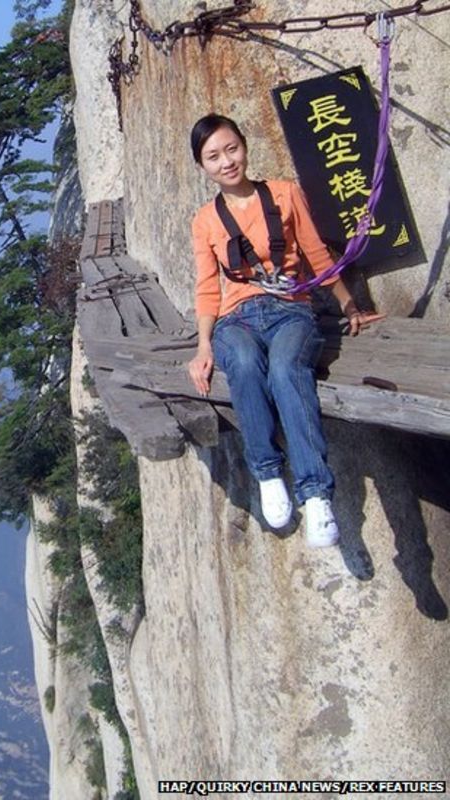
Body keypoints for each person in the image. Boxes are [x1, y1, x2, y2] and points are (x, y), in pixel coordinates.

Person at [186, 113, 384, 547]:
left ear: (244, 145)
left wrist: (350, 304)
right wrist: (203, 345)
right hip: (235, 320)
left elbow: (315, 253)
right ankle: (268, 473)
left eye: (231, 149)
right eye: (214, 157)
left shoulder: (283, 194)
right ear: (203, 166)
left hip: (291, 311)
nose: (227, 162)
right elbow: (207, 287)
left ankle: (315, 494)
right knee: (241, 360)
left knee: (283, 369)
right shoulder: (205, 221)